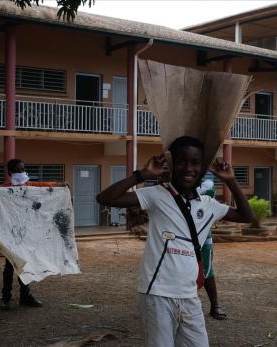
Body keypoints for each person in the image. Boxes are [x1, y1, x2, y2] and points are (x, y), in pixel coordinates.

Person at [97, 136, 256, 346]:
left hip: (190, 296)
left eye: (194, 163)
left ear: (202, 167)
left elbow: (247, 216)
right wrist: (141, 175)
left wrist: (231, 181)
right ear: (173, 165)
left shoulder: (208, 205)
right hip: (157, 294)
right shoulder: (157, 195)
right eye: (181, 162)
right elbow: (105, 198)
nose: (188, 168)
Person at [0, 158, 68, 310]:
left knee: (26, 265)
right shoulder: (3, 190)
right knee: (10, 266)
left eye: (23, 169)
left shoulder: (29, 186)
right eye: (18, 170)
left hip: (27, 233)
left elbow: (43, 187)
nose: (22, 172)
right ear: (10, 172)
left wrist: (59, 185)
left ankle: (25, 295)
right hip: (10, 234)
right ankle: (6, 297)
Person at [197, 178, 227, 320]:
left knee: (207, 268)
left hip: (204, 232)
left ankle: (215, 305)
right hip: (181, 233)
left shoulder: (207, 182)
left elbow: (206, 196)